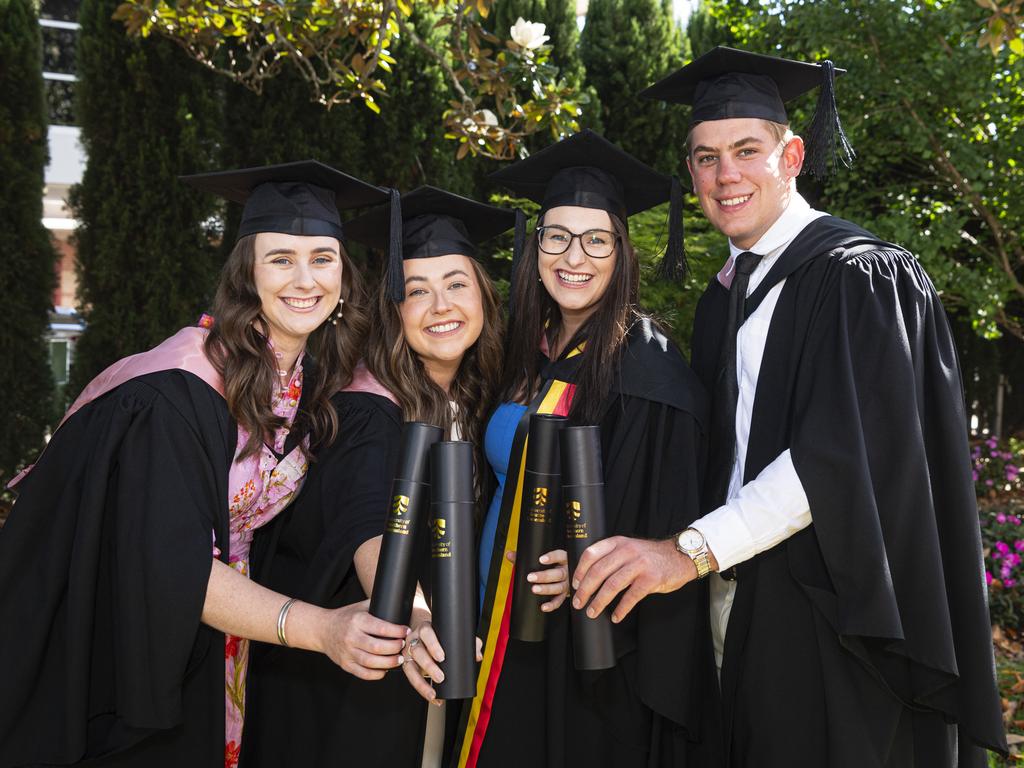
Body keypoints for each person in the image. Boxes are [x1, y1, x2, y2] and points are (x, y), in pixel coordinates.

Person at [573, 45, 1010, 766]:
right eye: (705, 157)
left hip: (836, 618)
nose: (725, 175)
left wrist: (686, 553)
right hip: (739, 612)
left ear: (793, 154)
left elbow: (836, 458)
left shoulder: (860, 278)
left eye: (747, 150)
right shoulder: (725, 299)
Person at [0, 160, 412, 768]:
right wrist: (323, 629)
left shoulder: (303, 385)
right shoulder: (176, 393)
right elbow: (173, 563)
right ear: (246, 275)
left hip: (218, 638)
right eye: (280, 259)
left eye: (322, 258)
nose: (305, 279)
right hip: (115, 638)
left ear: (345, 279)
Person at [452, 129, 719, 768]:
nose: (575, 255)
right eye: (557, 236)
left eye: (596, 239)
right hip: (493, 628)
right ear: (534, 246)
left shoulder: (645, 366)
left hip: (579, 650)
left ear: (621, 252)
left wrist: (583, 565)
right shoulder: (524, 351)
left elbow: (663, 516)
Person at [240, 186, 513, 768]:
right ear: (392, 311)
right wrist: (413, 616)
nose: (441, 305)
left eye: (456, 284)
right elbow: (369, 524)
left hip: (421, 669)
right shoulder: (368, 410)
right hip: (347, 687)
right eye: (416, 291)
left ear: (484, 298)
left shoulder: (469, 403)